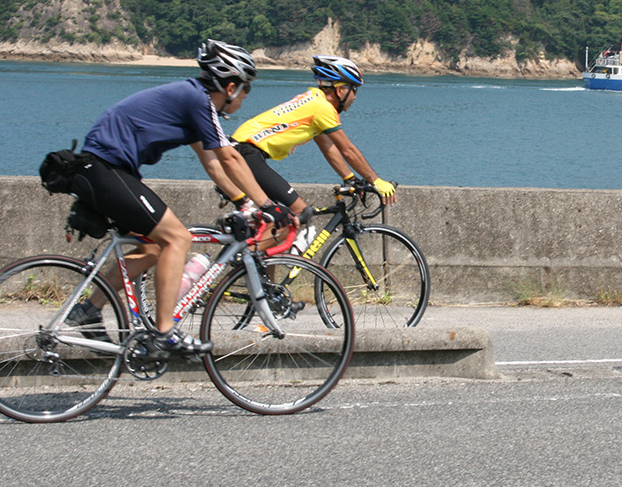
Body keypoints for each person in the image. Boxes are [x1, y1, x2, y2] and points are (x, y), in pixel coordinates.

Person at [66, 40, 294, 356]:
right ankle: (165, 333)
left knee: (154, 248)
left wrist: (244, 202)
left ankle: (89, 310)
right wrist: (269, 206)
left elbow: (212, 162)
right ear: (229, 87)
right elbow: (229, 158)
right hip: (106, 169)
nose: (244, 98)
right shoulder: (198, 101)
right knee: (178, 239)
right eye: (245, 90)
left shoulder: (193, 101)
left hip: (105, 170)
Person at [222, 55, 396, 251]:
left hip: (241, 151)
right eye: (353, 90)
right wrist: (375, 180)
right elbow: (347, 149)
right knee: (298, 213)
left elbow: (327, 146)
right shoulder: (323, 108)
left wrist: (350, 178)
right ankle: (241, 260)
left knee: (273, 223)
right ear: (340, 90)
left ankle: (263, 280)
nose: (355, 97)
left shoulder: (313, 100)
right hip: (246, 154)